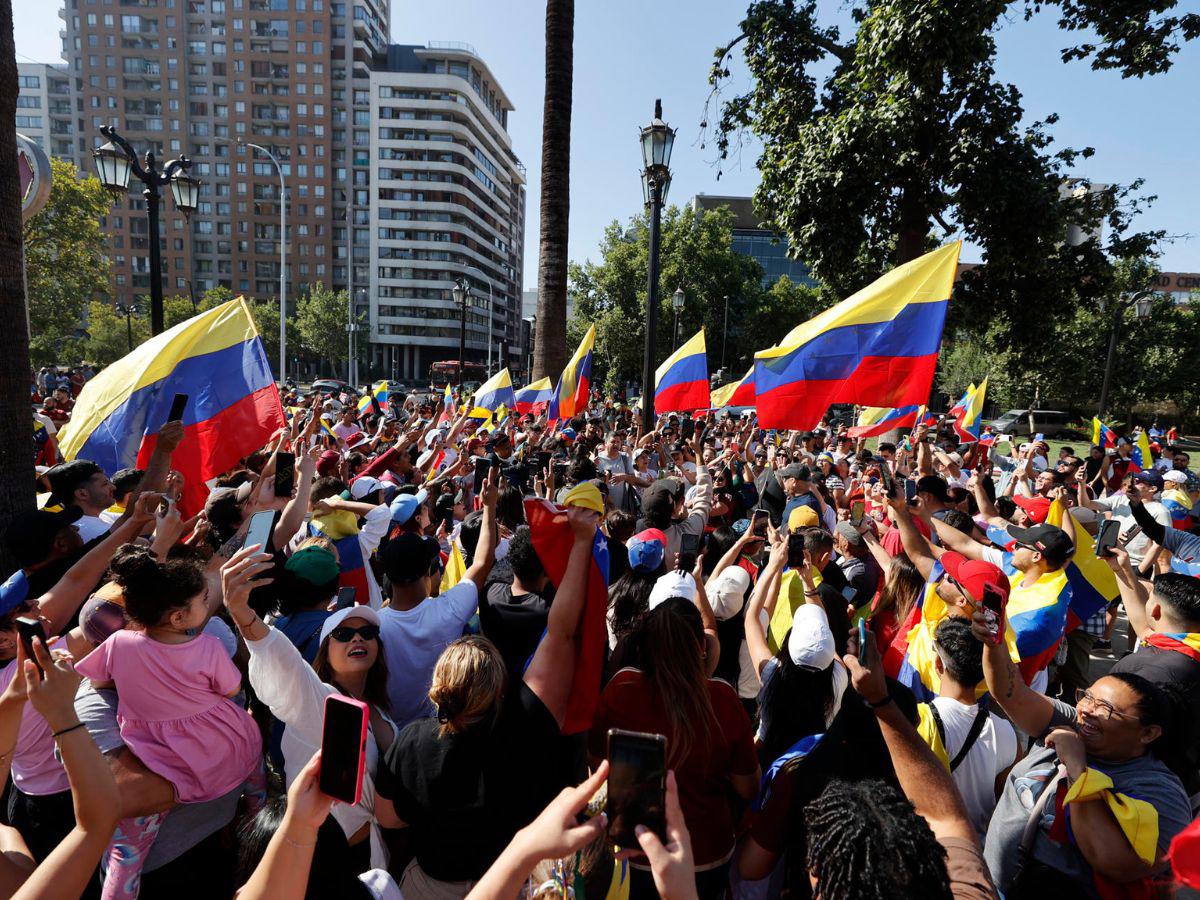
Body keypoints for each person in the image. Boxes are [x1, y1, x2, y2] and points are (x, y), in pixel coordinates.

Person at [372, 503, 600, 899]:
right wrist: (582, 542)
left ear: (437, 687)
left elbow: (388, 818)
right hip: (513, 884)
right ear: (499, 687)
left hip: (432, 886)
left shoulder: (411, 742)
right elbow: (561, 633)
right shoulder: (528, 723)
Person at [75, 546, 263, 899]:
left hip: (156, 756)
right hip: (220, 744)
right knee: (253, 760)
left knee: (124, 856)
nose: (208, 605)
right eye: (203, 600)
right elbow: (232, 688)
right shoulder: (208, 647)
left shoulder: (119, 644)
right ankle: (258, 823)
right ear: (177, 617)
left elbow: (99, 680)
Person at [973, 609, 1192, 897]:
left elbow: (1116, 864)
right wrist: (993, 640)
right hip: (992, 886)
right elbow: (1009, 691)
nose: (1087, 710)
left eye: (1106, 708)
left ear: (1148, 733)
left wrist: (1077, 766)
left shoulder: (1160, 792)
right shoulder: (1070, 721)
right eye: (1087, 696)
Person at [224, 545, 398, 873]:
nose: (357, 639)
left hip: (378, 856)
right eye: (343, 634)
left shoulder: (378, 707)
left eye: (367, 632)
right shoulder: (322, 702)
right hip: (337, 864)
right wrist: (244, 616)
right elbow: (287, 666)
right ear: (324, 653)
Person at [589, 597, 760, 899]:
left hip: (635, 849)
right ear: (701, 647)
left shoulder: (620, 689)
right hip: (705, 854)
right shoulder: (723, 699)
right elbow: (748, 787)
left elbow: (597, 767)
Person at [376, 471, 498, 727]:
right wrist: (489, 508)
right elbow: (482, 562)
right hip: (442, 728)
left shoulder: (374, 626)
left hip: (393, 734)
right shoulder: (449, 610)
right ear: (427, 574)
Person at [918, 617, 1018, 841]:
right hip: (980, 849)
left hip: (933, 846)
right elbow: (1007, 805)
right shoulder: (1007, 732)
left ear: (938, 665)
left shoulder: (918, 721)